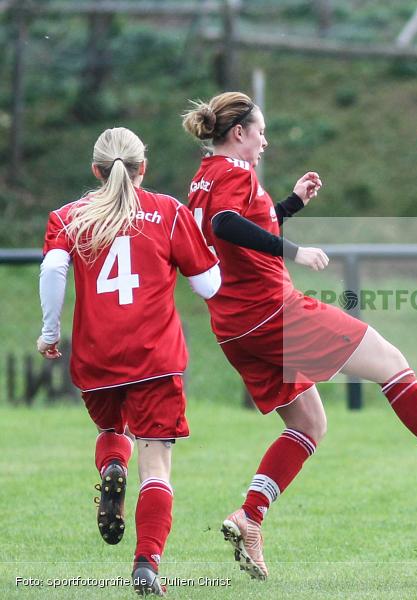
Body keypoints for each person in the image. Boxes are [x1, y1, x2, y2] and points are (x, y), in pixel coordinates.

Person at [181, 92, 417, 581]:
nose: (265, 141)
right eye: (261, 132)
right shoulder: (234, 174)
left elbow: (242, 224)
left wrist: (291, 204)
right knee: (391, 363)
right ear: (239, 134)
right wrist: (294, 251)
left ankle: (249, 516)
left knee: (310, 425)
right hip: (272, 312)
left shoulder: (204, 177)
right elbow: (226, 226)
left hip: (235, 327)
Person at [37, 127, 221, 594]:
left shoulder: (67, 216)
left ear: (96, 171)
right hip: (155, 358)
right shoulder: (169, 213)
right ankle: (146, 565)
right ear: (145, 168)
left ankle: (109, 468)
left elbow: (53, 268)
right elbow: (209, 286)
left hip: (97, 358)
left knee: (110, 431)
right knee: (156, 465)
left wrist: (50, 330)